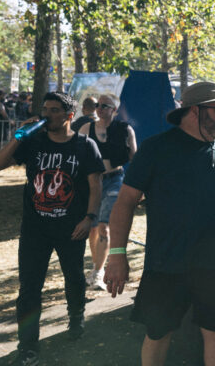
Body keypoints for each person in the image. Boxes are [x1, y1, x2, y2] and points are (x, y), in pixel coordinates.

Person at [104, 81, 215, 366]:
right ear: (195, 111)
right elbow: (124, 203)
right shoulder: (155, 149)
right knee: (159, 333)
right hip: (167, 263)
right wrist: (116, 254)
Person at [0, 92, 104, 366]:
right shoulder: (33, 141)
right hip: (35, 229)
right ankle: (28, 346)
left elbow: (95, 186)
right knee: (29, 289)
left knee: (74, 278)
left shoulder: (85, 146)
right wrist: (18, 136)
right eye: (45, 109)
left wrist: (90, 217)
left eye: (54, 110)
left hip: (71, 228)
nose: (47, 115)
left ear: (69, 115)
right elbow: (0, 164)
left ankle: (76, 315)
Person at [79, 94, 136, 290]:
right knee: (92, 228)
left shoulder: (124, 129)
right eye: (97, 105)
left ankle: (98, 270)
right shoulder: (87, 128)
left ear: (114, 109)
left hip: (115, 180)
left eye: (105, 106)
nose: (100, 109)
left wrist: (138, 186)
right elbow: (77, 155)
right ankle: (97, 268)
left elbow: (134, 158)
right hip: (93, 182)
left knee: (104, 226)